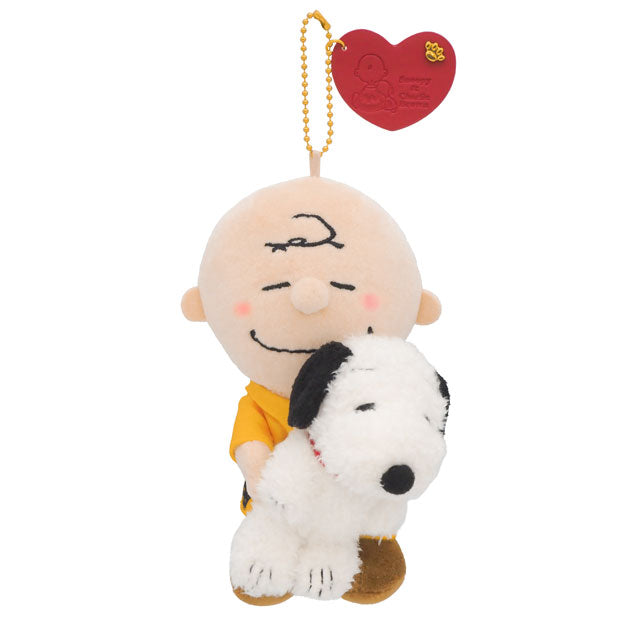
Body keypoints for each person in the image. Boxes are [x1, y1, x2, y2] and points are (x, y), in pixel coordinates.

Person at [181, 173, 441, 604]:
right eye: (273, 287)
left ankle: (366, 541)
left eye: (345, 286)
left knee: (368, 510)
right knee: (273, 521)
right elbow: (250, 444)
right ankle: (270, 552)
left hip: (354, 500)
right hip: (279, 504)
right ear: (202, 305)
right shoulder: (262, 401)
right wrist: (259, 475)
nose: (310, 296)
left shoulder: (379, 383)